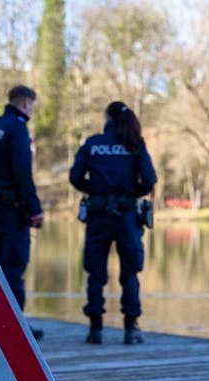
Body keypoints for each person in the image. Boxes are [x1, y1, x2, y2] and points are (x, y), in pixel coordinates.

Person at [69, 101, 157, 345]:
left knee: (95, 272)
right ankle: (131, 328)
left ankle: (95, 329)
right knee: (129, 272)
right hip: (127, 215)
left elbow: (75, 176)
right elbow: (150, 179)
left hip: (98, 215)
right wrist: (132, 193)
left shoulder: (93, 144)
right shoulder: (135, 144)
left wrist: (95, 191)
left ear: (107, 118)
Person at [0, 85, 46, 340]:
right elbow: (22, 173)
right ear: (26, 102)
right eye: (32, 105)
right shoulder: (17, 129)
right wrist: (35, 209)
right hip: (12, 210)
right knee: (13, 267)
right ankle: (14, 329)